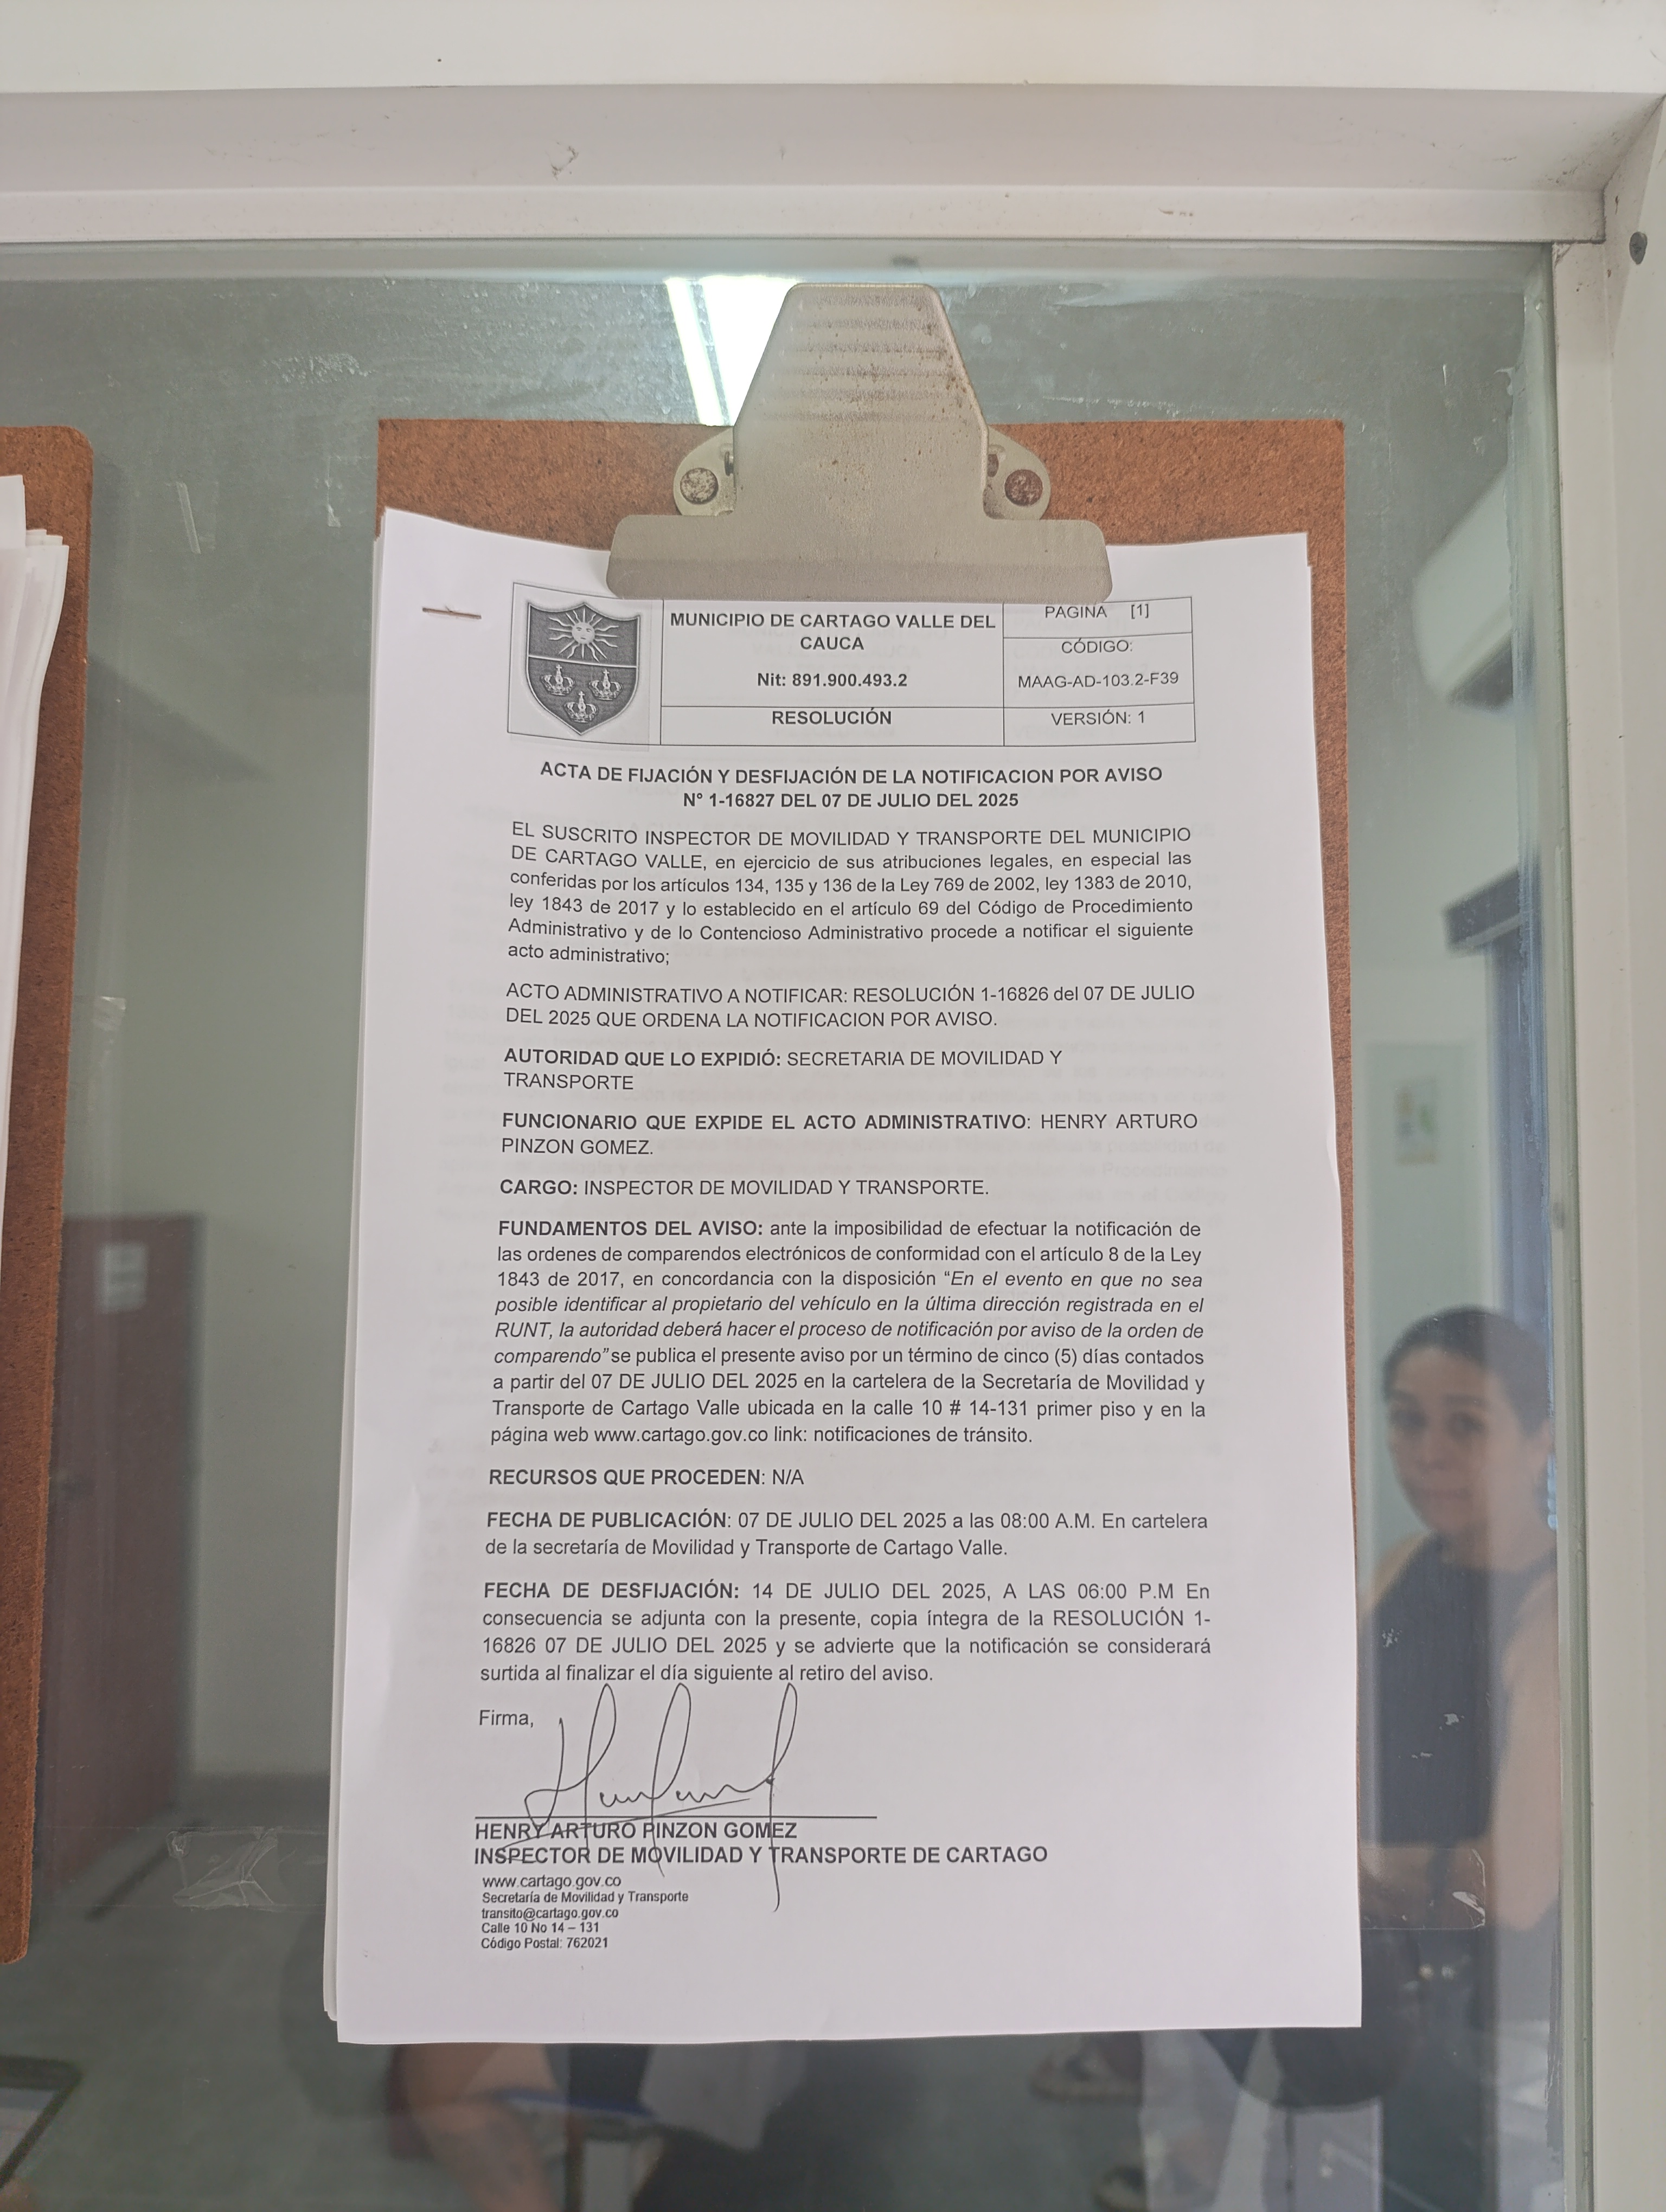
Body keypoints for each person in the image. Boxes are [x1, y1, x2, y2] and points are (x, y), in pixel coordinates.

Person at [1125, 1306, 1561, 2211]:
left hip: (1482, 2033)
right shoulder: (1405, 1566)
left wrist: (1334, 1873)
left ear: (1539, 1444)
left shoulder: (1551, 1614)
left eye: (1466, 1424)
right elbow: (1313, 1736)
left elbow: (1518, 1887)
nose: (1428, 1453)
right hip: (1370, 1993)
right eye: (1407, 1419)